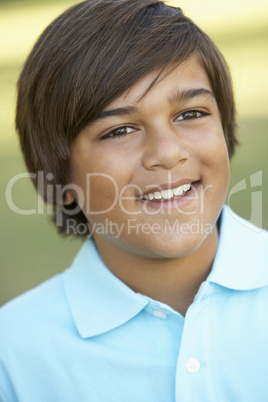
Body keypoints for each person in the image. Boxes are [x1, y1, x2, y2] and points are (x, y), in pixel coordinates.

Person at [0, 0, 267, 401]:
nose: (167, 152)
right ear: (61, 176)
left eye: (191, 114)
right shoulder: (14, 354)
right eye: (120, 130)